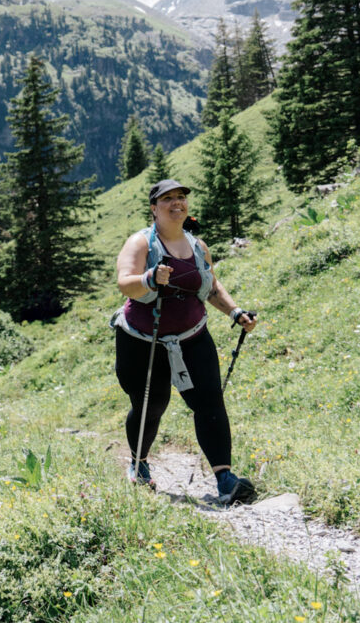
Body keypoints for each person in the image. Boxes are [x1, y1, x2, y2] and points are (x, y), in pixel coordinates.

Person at [113, 178, 258, 504]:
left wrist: (235, 312)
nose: (176, 203)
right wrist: (149, 278)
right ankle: (139, 464)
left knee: (209, 402)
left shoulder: (198, 246)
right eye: (168, 199)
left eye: (181, 197)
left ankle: (225, 479)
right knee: (151, 404)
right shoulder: (140, 243)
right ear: (154, 208)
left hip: (193, 337)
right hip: (142, 341)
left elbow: (211, 287)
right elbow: (125, 283)